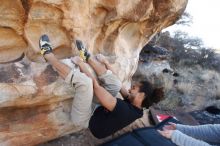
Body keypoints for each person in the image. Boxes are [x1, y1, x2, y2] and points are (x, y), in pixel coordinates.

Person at [39, 35, 164, 139]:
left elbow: (95, 85)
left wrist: (80, 64)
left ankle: (48, 55)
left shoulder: (125, 111)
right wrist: (105, 63)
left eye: (135, 88)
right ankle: (87, 57)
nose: (131, 88)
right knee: (116, 84)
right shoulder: (137, 106)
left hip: (85, 119)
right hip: (99, 111)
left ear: (141, 95)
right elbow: (118, 82)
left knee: (85, 82)